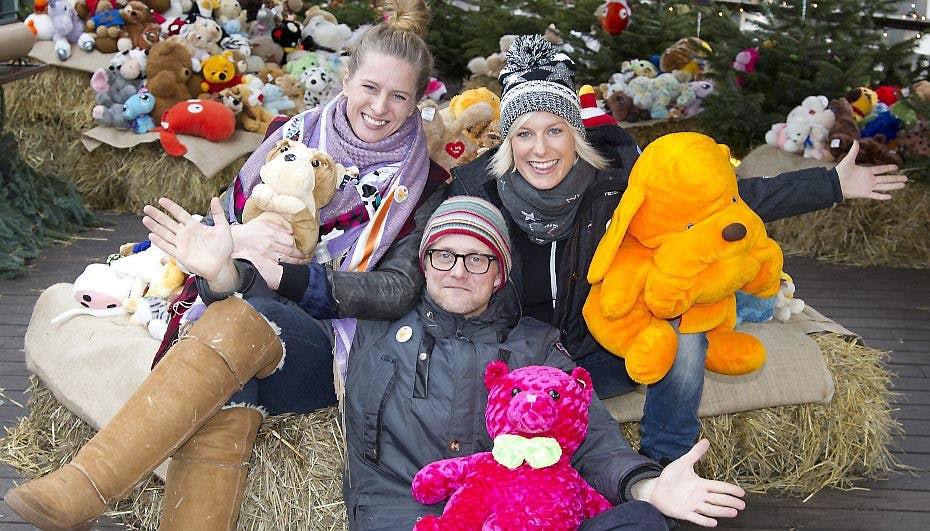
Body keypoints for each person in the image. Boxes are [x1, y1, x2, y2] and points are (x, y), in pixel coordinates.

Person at [4, 1, 448, 529]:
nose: (380, 107)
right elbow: (230, 249)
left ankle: (87, 484)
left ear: (418, 101)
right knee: (228, 397)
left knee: (238, 321)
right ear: (346, 79)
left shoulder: (424, 187)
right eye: (370, 88)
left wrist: (289, 276)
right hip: (239, 316)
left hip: (328, 347)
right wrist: (224, 253)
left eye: (399, 96)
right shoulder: (288, 137)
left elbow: (395, 290)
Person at [448, 34, 909, 465]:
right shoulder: (477, 195)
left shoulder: (615, 185)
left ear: (576, 135)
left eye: (555, 130)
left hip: (597, 354)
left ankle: (666, 462)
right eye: (524, 133)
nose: (540, 149)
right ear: (508, 140)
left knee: (683, 319)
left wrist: (829, 183)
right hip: (513, 364)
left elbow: (719, 202)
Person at [341, 196, 745, 530]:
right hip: (407, 518)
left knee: (641, 520)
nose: (458, 272)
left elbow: (593, 440)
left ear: (500, 274)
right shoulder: (375, 330)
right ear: (424, 263)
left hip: (517, 518)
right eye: (444, 255)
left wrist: (646, 486)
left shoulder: (536, 347)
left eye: (477, 259)